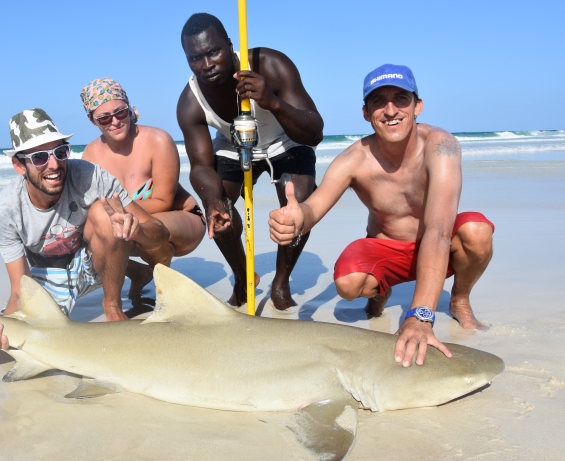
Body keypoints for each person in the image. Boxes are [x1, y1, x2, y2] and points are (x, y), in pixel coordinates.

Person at [268, 64, 495, 367]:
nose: (390, 110)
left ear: (418, 106)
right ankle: (380, 291)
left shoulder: (442, 146)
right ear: (365, 112)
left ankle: (460, 299)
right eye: (378, 101)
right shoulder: (354, 159)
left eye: (401, 99)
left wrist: (420, 316)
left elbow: (439, 231)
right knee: (348, 285)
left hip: (438, 243)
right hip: (387, 246)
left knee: (477, 232)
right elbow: (314, 207)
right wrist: (297, 219)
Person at [0, 108, 171, 349]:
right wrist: (5, 328)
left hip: (91, 260)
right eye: (39, 157)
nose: (54, 164)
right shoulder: (5, 210)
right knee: (15, 343)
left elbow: (161, 234)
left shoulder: (91, 177)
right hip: (49, 272)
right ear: (19, 165)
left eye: (60, 152)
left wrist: (138, 231)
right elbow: (20, 289)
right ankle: (135, 272)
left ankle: (112, 306)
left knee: (104, 212)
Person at [176, 12, 324, 310]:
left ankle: (281, 282)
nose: (206, 65)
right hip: (233, 144)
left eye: (213, 52)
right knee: (221, 212)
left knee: (298, 192)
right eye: (195, 58)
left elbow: (314, 132)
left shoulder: (271, 65)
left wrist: (272, 101)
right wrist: (211, 200)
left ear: (230, 46)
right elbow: (201, 166)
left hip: (285, 138)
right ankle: (243, 278)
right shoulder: (190, 102)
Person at [80, 78, 205, 297]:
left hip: (180, 219)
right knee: (85, 234)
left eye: (120, 113)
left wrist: (117, 212)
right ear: (93, 121)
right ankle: (138, 272)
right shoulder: (90, 154)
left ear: (129, 109)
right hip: (130, 224)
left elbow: (163, 201)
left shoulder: (158, 140)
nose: (115, 121)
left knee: (143, 229)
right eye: (105, 118)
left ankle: (166, 290)